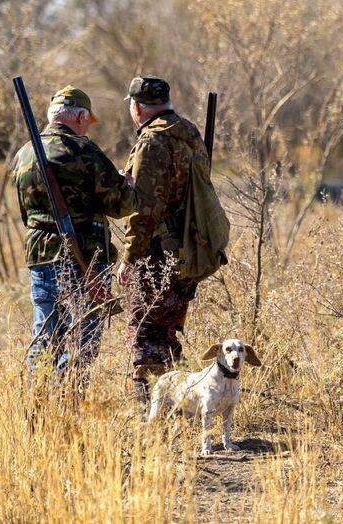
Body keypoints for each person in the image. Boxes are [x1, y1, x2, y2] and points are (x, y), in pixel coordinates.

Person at [12, 85, 133, 377]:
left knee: (44, 337)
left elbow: (26, 212)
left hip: (40, 257)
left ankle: (37, 408)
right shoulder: (84, 151)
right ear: (80, 117)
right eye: (88, 120)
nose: (88, 127)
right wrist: (126, 184)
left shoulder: (25, 153)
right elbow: (120, 205)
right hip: (84, 259)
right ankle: (69, 403)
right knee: (83, 340)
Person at [117, 76, 208, 406]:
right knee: (167, 333)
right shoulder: (191, 134)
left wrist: (129, 257)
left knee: (146, 333)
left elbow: (144, 210)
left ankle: (153, 419)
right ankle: (179, 408)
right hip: (190, 251)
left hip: (157, 255)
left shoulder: (152, 143)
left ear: (137, 107)